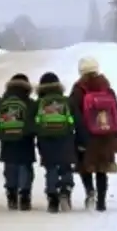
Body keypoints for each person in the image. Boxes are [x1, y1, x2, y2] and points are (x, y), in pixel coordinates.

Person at [69, 57, 117, 212]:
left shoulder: (79, 90)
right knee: (102, 168)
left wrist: (78, 135)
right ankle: (102, 202)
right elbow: (116, 114)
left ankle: (90, 191)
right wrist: (115, 135)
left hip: (87, 135)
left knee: (85, 166)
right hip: (106, 136)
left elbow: (74, 113)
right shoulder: (107, 89)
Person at [0, 73, 36, 210]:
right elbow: (36, 123)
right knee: (25, 167)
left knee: (10, 167)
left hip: (7, 141)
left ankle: (12, 194)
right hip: (25, 142)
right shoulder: (30, 103)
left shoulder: (1, 103)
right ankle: (25, 196)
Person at [34, 72, 78, 213]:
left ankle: (52, 197)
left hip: (45, 139)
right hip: (65, 138)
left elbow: (31, 124)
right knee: (65, 165)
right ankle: (65, 190)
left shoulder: (39, 103)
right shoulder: (67, 101)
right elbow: (78, 121)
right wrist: (81, 139)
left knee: (51, 167)